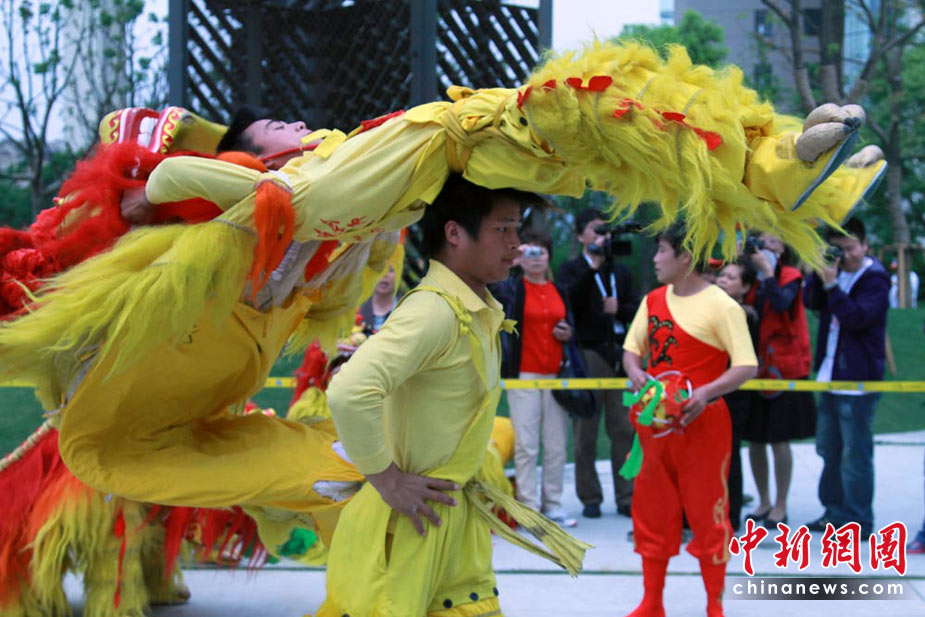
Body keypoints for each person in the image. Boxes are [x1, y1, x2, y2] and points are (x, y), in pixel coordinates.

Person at [0, 41, 872, 542]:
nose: (295, 123)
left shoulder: (333, 200)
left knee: (546, 121)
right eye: (273, 125)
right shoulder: (238, 222)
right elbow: (168, 181)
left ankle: (766, 164)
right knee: (500, 126)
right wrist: (170, 197)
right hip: (133, 426)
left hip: (230, 382)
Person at [318, 175, 587, 617]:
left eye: (517, 228)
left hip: (448, 522)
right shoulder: (435, 310)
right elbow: (349, 390)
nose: (516, 243)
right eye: (503, 229)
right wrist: (388, 481)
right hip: (409, 527)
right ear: (455, 233)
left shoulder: (475, 309)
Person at [622, 223, 758, 617]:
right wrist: (635, 371)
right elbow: (632, 351)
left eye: (661, 251)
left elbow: (747, 365)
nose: (655, 259)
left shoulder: (722, 305)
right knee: (651, 510)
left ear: (685, 257)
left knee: (708, 512)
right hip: (655, 426)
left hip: (704, 425)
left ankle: (714, 605)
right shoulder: (653, 300)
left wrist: (706, 392)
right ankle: (652, 602)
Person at [803, 217, 890, 538]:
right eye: (838, 250)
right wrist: (818, 271)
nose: (845, 256)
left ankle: (858, 520)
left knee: (856, 454)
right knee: (829, 450)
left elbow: (856, 318)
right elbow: (810, 302)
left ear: (865, 245)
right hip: (830, 375)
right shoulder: (834, 272)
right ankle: (834, 512)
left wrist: (831, 286)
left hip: (859, 379)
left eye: (851, 248)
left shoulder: (876, 279)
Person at [492, 228, 577, 527]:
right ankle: (528, 507)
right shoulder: (512, 288)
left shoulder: (560, 289)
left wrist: (568, 333)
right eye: (529, 251)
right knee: (527, 445)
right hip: (524, 374)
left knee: (556, 445)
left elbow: (571, 325)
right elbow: (493, 294)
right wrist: (511, 263)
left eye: (541, 251)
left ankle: (553, 504)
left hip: (556, 374)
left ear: (549, 256)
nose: (536, 257)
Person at [557, 207, 638, 519]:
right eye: (596, 230)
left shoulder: (620, 271)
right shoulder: (571, 270)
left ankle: (627, 496)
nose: (603, 236)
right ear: (580, 236)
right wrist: (591, 269)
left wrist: (619, 309)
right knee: (585, 433)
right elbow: (569, 302)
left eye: (606, 230)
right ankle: (590, 497)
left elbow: (635, 309)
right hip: (588, 353)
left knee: (623, 429)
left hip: (619, 354)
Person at [744, 232, 816, 527]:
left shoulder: (791, 276)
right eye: (763, 242)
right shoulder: (749, 277)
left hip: (785, 367)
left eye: (774, 242)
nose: (768, 248)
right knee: (755, 438)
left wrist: (767, 272)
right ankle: (763, 500)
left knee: (778, 437)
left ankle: (781, 504)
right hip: (754, 366)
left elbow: (782, 304)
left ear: (784, 247)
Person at [715, 258, 760, 532]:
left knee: (729, 456)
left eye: (731, 278)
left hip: (733, 395)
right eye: (722, 275)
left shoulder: (745, 315)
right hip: (711, 392)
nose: (722, 280)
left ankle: (730, 517)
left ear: (745, 287)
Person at [359, 265, 398, 333]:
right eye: (380, 269)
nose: (384, 275)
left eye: (390, 270)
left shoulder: (405, 308)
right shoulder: (357, 308)